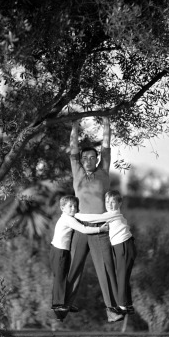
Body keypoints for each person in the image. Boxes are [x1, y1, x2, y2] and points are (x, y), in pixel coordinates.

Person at [65, 117, 123, 323]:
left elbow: (106, 145)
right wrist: (74, 125)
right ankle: (63, 304)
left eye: (92, 157)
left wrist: (107, 121)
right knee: (73, 266)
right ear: (81, 160)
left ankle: (112, 310)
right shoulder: (77, 171)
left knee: (106, 269)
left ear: (97, 159)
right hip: (81, 228)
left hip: (101, 229)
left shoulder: (103, 172)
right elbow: (72, 148)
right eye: (85, 157)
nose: (89, 160)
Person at [75, 190, 137, 316]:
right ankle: (127, 305)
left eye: (113, 202)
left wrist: (76, 216)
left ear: (119, 203)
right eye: (107, 201)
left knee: (122, 276)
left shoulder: (113, 214)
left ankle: (122, 306)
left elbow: (93, 218)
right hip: (122, 246)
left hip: (125, 246)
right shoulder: (110, 214)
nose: (109, 204)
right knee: (122, 275)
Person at [50, 195, 108, 321]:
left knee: (63, 276)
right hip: (59, 251)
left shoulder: (69, 217)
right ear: (62, 208)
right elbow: (83, 229)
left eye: (75, 206)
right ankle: (58, 304)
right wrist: (100, 229)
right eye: (70, 206)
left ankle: (65, 303)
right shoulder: (67, 219)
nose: (73, 209)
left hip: (62, 251)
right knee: (59, 277)